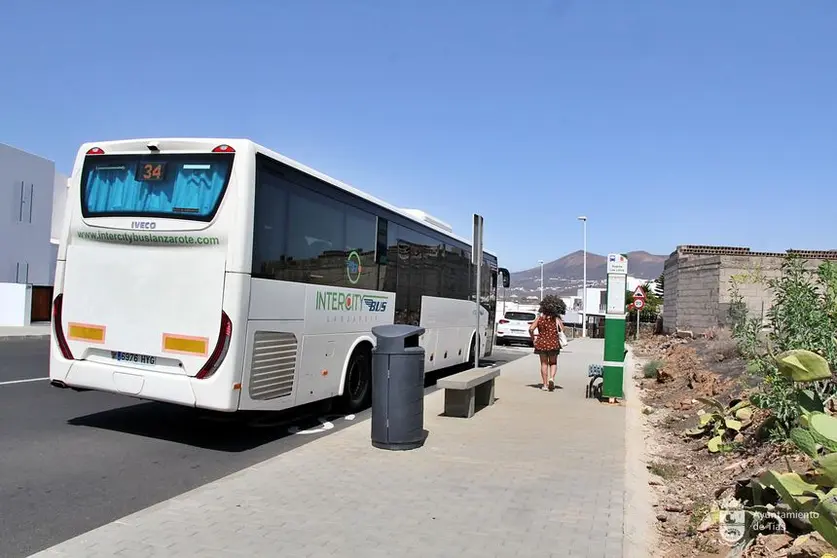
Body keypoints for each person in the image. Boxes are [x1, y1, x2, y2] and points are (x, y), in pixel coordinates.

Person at [528, 295, 565, 391]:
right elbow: (562, 329)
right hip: (553, 343)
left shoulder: (540, 319)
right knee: (553, 363)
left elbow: (531, 329)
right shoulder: (556, 319)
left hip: (541, 343)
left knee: (544, 364)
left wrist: (533, 339)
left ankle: (544, 385)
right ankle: (551, 378)